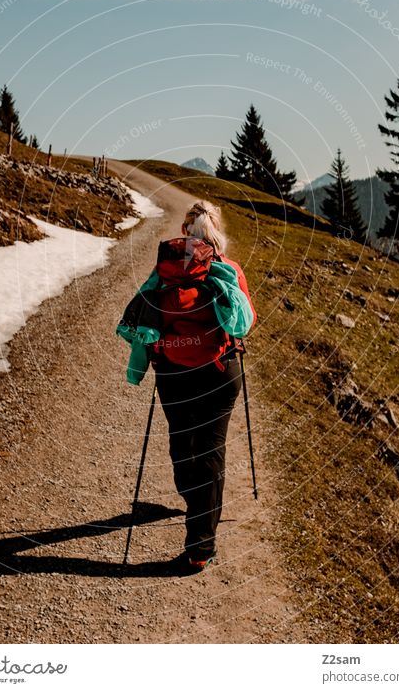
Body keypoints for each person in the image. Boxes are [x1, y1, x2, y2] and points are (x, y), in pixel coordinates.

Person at [151, 200, 257, 572]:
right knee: (212, 449)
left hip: (173, 370)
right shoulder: (229, 269)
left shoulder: (165, 270)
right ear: (217, 231)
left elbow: (148, 317)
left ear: (185, 230)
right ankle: (200, 546)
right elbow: (245, 322)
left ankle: (191, 495)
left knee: (182, 441)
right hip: (219, 371)